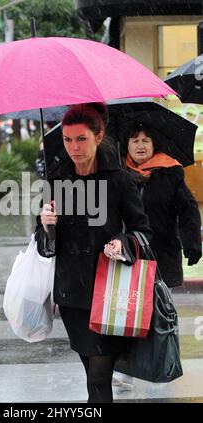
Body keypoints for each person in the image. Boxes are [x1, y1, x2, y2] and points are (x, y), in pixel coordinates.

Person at [35, 103, 152, 403]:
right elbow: (44, 245)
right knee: (92, 374)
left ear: (99, 136)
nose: (74, 147)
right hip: (72, 294)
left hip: (109, 290)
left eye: (81, 139)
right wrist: (46, 225)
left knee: (99, 376)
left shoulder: (119, 180)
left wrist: (122, 243)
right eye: (67, 139)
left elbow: (142, 230)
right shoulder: (57, 180)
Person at [124, 122, 202, 289]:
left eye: (146, 140)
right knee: (130, 309)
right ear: (127, 145)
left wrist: (192, 242)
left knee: (160, 308)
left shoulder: (170, 172)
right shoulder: (118, 174)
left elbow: (188, 208)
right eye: (135, 140)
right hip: (127, 252)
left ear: (154, 144)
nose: (140, 145)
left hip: (162, 252)